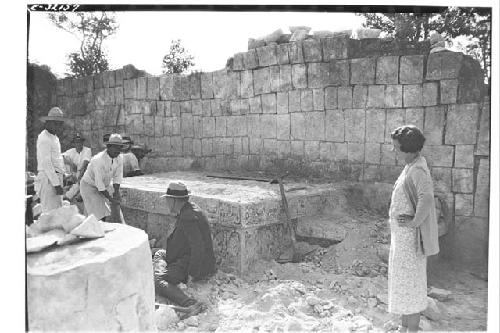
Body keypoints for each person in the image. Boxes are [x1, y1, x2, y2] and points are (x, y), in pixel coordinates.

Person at [388, 125, 440, 332]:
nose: (394, 151)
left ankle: (412, 329)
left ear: (408, 149)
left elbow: (426, 198)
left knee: (411, 286)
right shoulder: (412, 165)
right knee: (404, 284)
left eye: (396, 148)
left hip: (411, 241)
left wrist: (414, 222)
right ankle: (404, 327)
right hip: (402, 240)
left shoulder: (418, 169)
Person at [153, 182, 216, 319]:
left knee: (157, 281)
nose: (167, 203)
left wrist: (192, 274)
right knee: (159, 253)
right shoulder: (189, 210)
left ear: (175, 201)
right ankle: (163, 271)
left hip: (191, 264)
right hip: (184, 256)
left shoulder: (188, 217)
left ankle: (189, 303)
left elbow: (198, 247)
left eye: (168, 200)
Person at [80, 133, 124, 221]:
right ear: (109, 147)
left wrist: (116, 192)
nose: (118, 150)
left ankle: (91, 229)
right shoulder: (98, 160)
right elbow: (99, 184)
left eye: (119, 148)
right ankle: (95, 231)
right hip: (89, 186)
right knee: (98, 215)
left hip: (104, 186)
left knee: (101, 212)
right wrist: (111, 199)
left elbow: (117, 177)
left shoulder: (120, 158)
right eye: (115, 147)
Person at [35, 107, 70, 212]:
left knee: (57, 213)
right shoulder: (44, 138)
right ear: (48, 122)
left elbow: (57, 158)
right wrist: (56, 184)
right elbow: (47, 164)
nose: (58, 126)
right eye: (55, 123)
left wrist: (64, 175)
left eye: (60, 124)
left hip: (56, 178)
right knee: (50, 214)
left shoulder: (55, 138)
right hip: (48, 180)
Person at [62, 133, 92, 201]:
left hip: (85, 172)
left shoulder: (87, 150)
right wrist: (71, 164)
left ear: (82, 142)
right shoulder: (71, 151)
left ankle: (69, 196)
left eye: (80, 141)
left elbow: (85, 165)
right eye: (76, 142)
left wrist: (79, 177)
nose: (78, 143)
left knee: (81, 181)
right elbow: (61, 157)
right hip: (74, 173)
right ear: (74, 143)